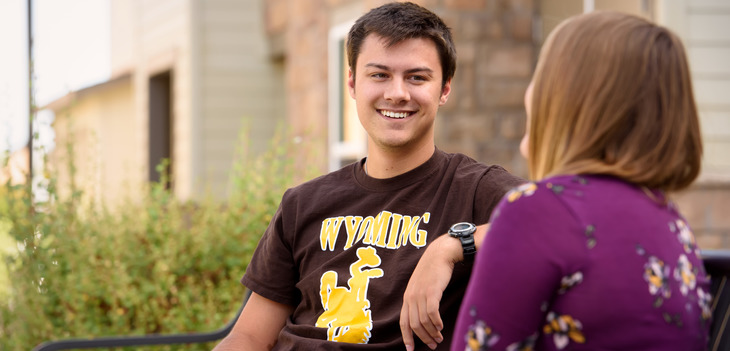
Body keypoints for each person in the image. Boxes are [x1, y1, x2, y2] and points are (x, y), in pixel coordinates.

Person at [212, 2, 524, 350]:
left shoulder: (476, 189)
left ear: (445, 89)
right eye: (379, 75)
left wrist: (450, 247)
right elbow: (250, 336)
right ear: (352, 83)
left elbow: (566, 221)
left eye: (417, 77)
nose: (397, 93)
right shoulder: (303, 203)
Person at [451, 10, 711, 350]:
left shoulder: (539, 211)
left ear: (570, 99)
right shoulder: (670, 221)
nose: (530, 92)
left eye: (541, 75)